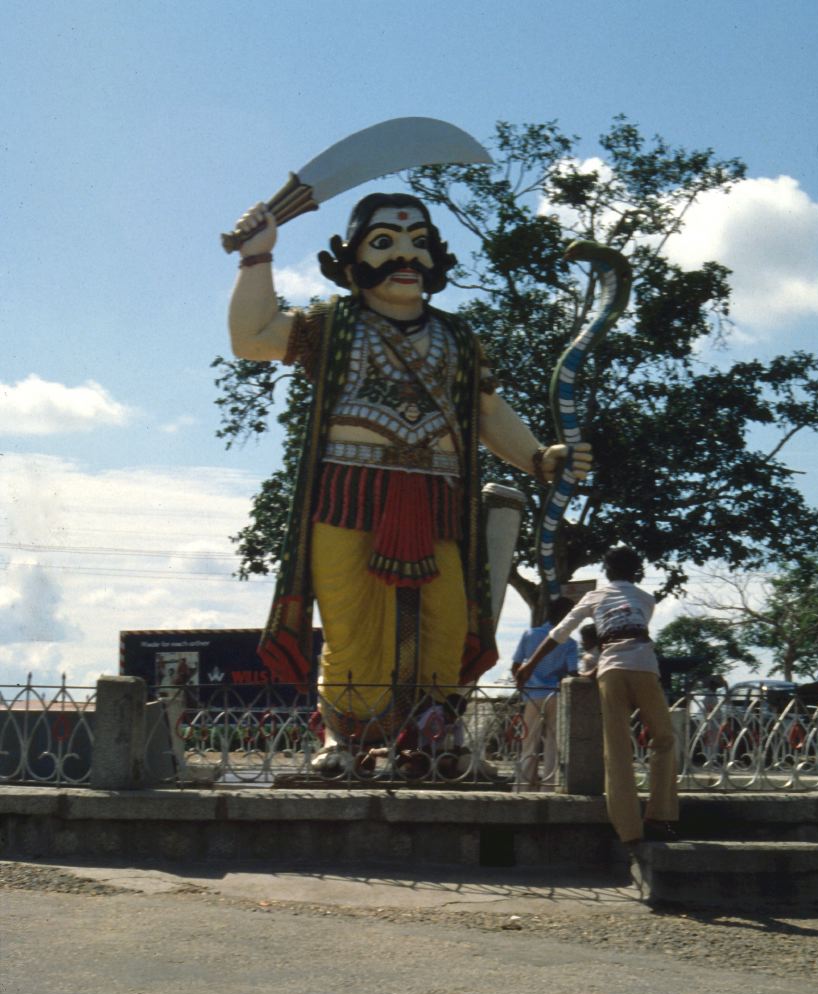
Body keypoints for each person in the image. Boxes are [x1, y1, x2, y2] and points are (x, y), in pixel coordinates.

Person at [227, 192, 593, 768]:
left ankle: (431, 736)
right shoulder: (332, 323)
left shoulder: (459, 338)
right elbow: (253, 338)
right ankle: (342, 741)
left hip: (438, 498)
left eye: (418, 242)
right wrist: (257, 259)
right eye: (385, 241)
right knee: (351, 626)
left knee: (446, 620)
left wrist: (537, 458)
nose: (406, 255)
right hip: (348, 494)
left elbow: (488, 412)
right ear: (351, 257)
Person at [515, 546, 678, 849]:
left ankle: (629, 830)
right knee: (665, 738)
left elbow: (559, 633)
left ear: (607, 571)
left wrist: (529, 664)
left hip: (612, 671)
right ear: (636, 571)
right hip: (645, 667)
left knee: (616, 749)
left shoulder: (594, 597)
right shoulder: (645, 599)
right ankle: (658, 816)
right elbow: (630, 632)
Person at [511, 597, 579, 790]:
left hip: (532, 695)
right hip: (555, 696)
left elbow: (516, 665)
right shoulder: (570, 643)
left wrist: (521, 683)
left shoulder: (529, 634)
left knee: (528, 744)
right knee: (553, 744)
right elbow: (573, 672)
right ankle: (549, 786)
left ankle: (522, 788)